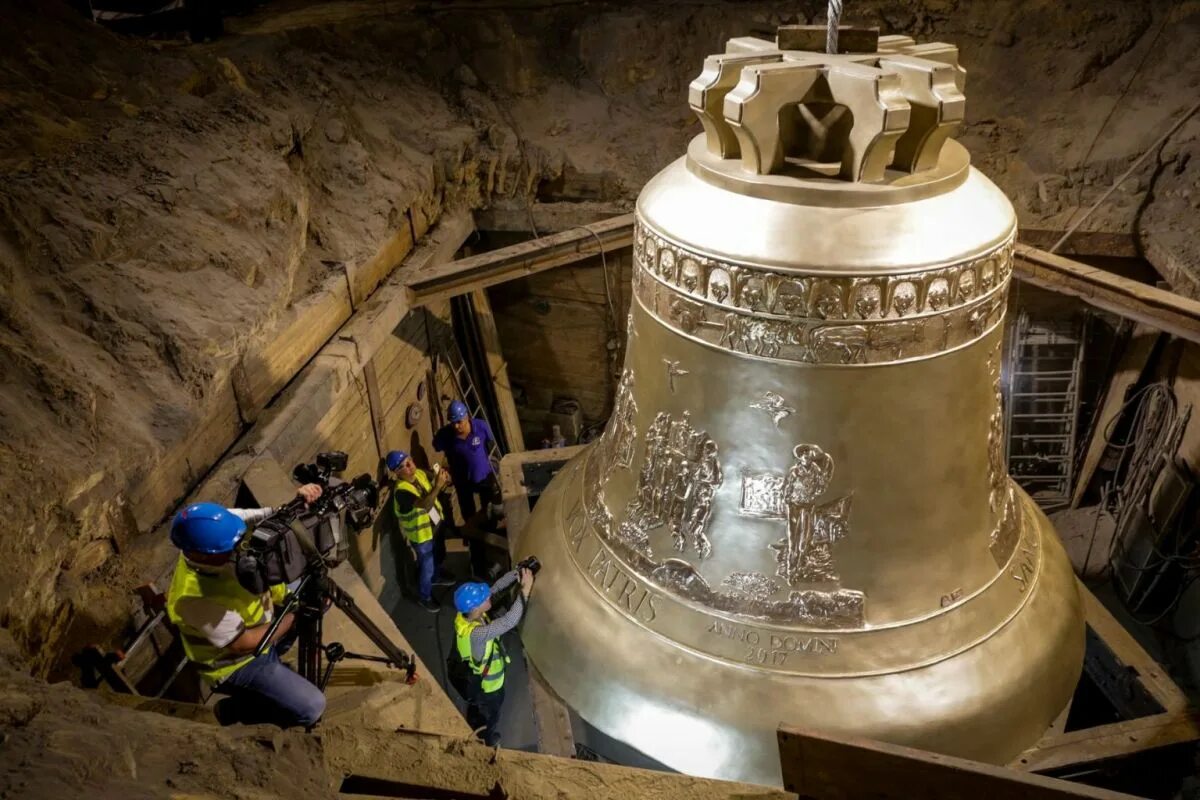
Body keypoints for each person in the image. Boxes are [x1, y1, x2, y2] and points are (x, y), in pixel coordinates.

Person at [165, 485, 326, 729]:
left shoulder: (216, 528)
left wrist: (295, 503)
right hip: (237, 663)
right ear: (205, 555)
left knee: (315, 587)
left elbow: (256, 517)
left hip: (264, 620)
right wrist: (295, 616)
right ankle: (234, 710)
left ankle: (278, 657)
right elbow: (243, 643)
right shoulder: (193, 599)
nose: (240, 545)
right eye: (232, 546)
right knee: (312, 707)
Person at [452, 564, 535, 746]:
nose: (488, 595)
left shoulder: (466, 615)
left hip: (479, 683)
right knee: (491, 715)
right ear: (475, 608)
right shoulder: (477, 635)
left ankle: (475, 718)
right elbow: (509, 621)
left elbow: (496, 588)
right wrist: (525, 591)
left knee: (479, 710)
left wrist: (517, 572)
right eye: (483, 598)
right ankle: (487, 740)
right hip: (490, 687)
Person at [387, 449, 452, 612]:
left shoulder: (420, 474)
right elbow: (425, 504)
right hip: (422, 536)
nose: (409, 466)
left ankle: (436, 576)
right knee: (426, 566)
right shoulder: (402, 492)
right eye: (403, 466)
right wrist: (438, 486)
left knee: (438, 555)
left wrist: (443, 480)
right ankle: (425, 597)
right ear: (396, 473)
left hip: (435, 527)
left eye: (409, 461)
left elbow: (434, 484)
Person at [434, 400, 499, 524]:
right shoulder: (445, 435)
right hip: (462, 480)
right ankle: (473, 537)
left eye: (459, 422)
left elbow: (491, 447)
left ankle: (490, 530)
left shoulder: (481, 427)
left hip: (483, 476)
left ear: (467, 417)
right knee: (468, 513)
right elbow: (437, 447)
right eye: (453, 423)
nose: (456, 426)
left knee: (489, 510)